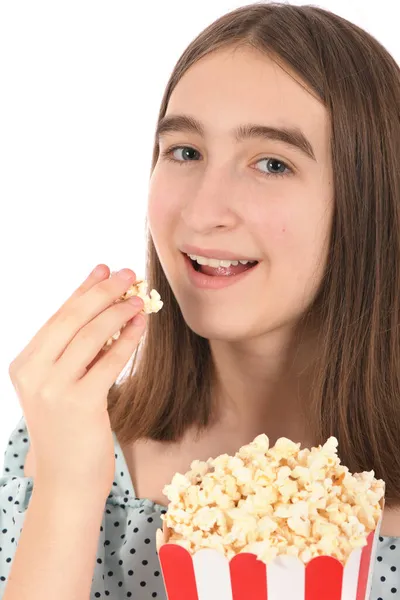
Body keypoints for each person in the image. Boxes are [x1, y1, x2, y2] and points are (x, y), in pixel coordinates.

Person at [1, 2, 400, 599]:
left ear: (369, 203)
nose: (202, 212)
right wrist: (68, 487)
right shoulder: (59, 446)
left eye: (271, 163)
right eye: (184, 152)